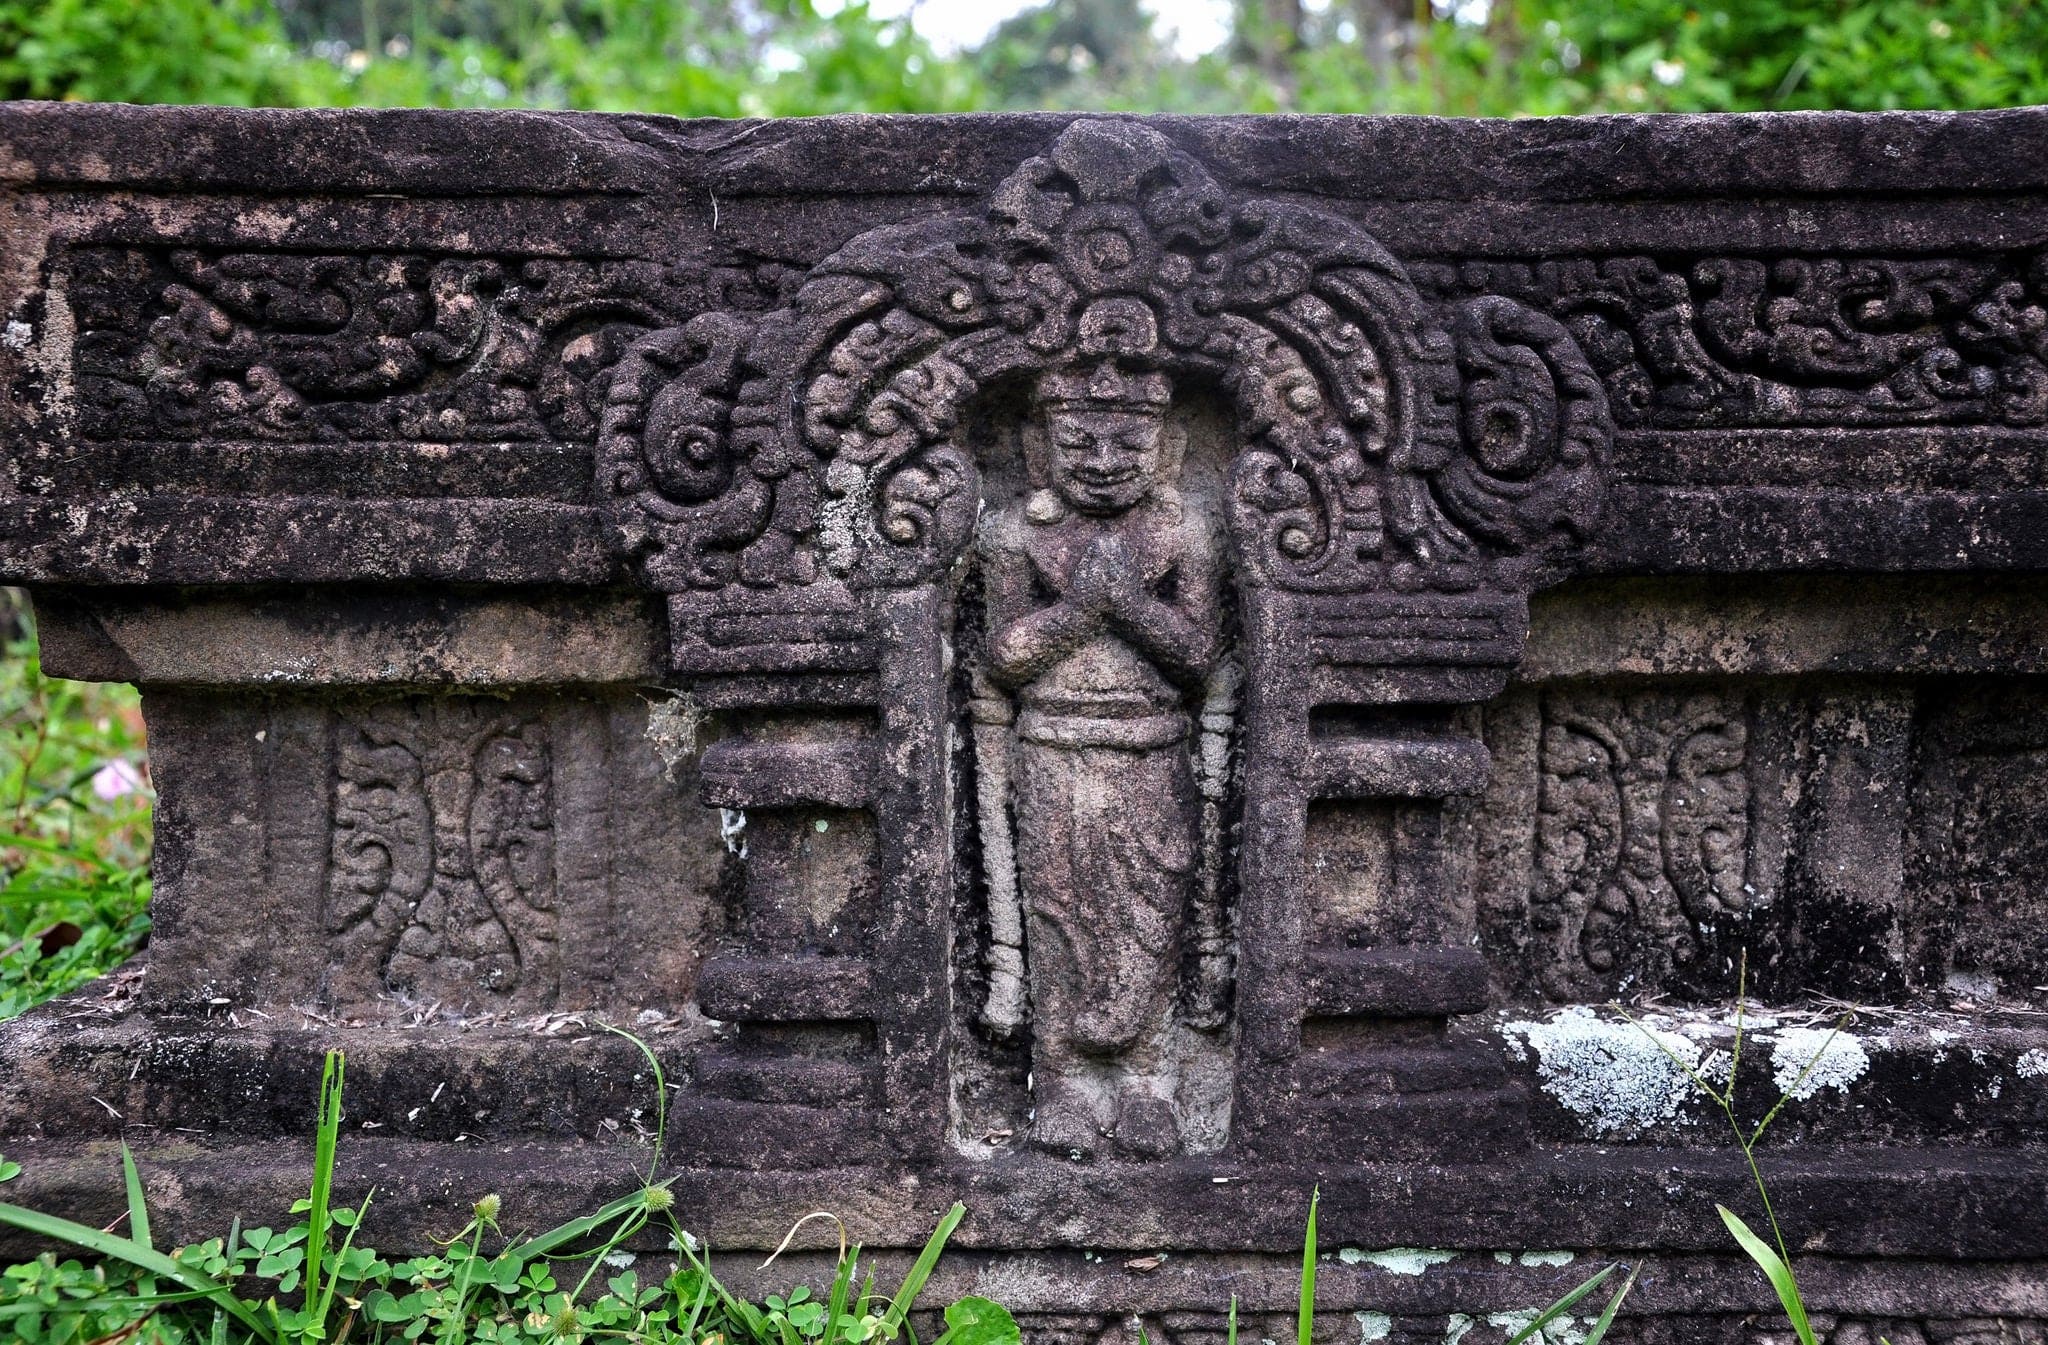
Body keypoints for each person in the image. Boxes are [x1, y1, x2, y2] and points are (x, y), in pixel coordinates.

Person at [979, 359, 1222, 1157]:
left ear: (1170, 446)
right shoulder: (1018, 532)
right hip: (1052, 750)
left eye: (1129, 439)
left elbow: (1195, 652)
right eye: (1080, 439)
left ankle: (1149, 1082)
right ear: (1040, 447)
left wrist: (1128, 606)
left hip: (1155, 752)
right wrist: (1084, 608)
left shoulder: (1185, 532)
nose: (1105, 457)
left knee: (1150, 913)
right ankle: (1061, 1085)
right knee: (1059, 913)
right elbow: (1007, 654)